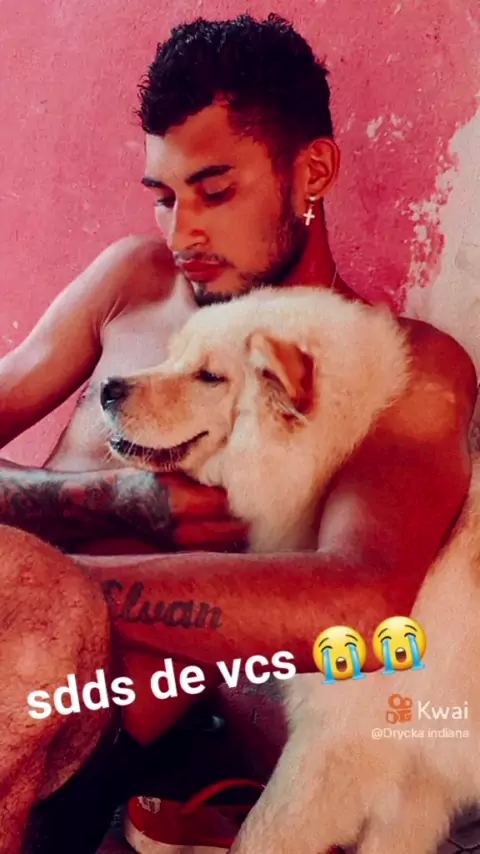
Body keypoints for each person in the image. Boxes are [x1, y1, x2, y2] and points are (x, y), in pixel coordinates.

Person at [0, 13, 476, 854]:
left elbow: (365, 606)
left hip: (82, 724)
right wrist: (103, 501)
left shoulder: (399, 369)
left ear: (311, 172)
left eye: (215, 193)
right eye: (164, 198)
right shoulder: (134, 282)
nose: (181, 233)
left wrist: (48, 591)